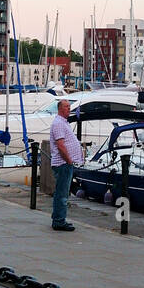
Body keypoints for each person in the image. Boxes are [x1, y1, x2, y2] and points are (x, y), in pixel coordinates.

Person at [48, 99, 84, 231]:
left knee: (62, 193)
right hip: (63, 163)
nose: (69, 109)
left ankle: (58, 218)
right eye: (66, 107)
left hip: (65, 163)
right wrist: (69, 160)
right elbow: (60, 145)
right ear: (60, 108)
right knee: (62, 194)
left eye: (69, 106)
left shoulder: (63, 123)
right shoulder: (58, 123)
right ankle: (59, 221)